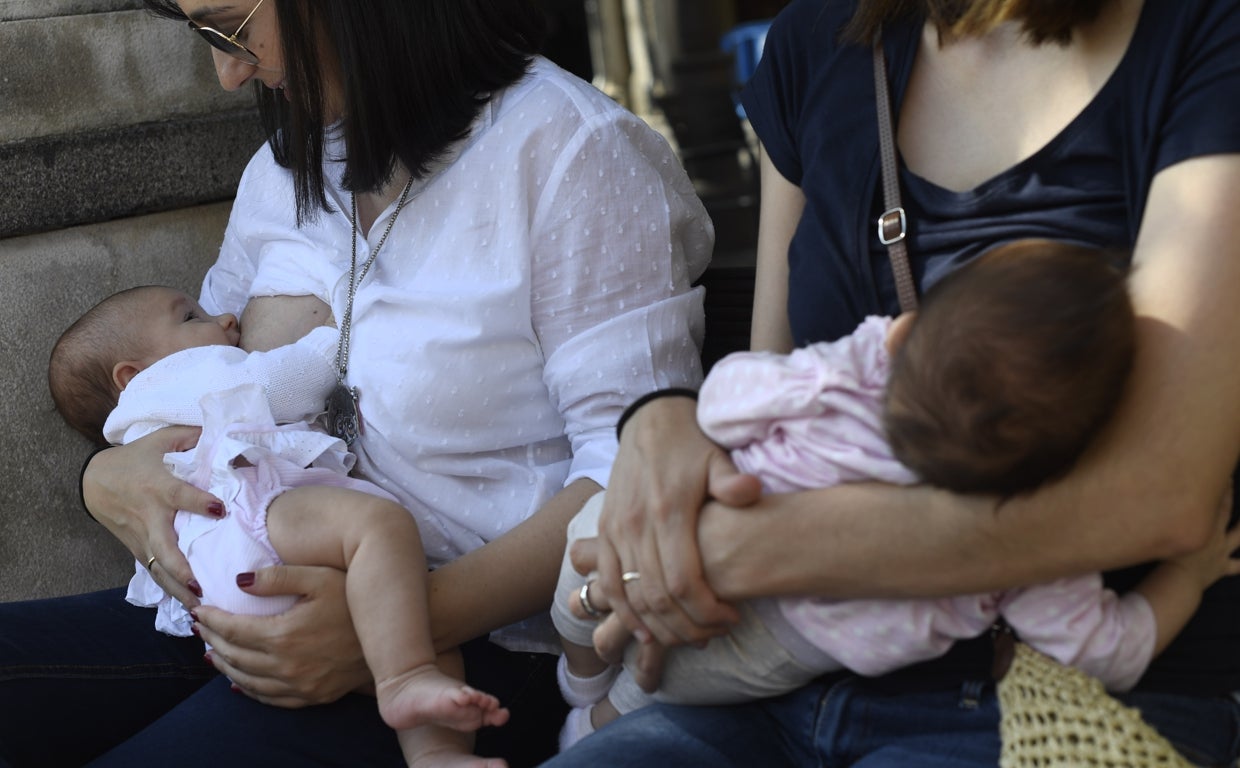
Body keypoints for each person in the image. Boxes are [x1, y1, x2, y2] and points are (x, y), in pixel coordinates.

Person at [0, 2, 712, 766]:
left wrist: (402, 624)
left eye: (229, 28)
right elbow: (198, 378)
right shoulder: (281, 172)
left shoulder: (569, 153)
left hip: (482, 648)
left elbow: (633, 471)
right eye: (201, 35)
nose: (229, 72)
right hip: (251, 595)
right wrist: (104, 475)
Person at [544, 0, 1240, 765]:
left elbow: (1163, 498)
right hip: (777, 682)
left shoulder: (1205, 35)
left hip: (1043, 700)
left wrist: (737, 551)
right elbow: (767, 375)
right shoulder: (817, 40)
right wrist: (660, 419)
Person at [550, 240, 1240, 750]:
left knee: (584, 590)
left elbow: (728, 398)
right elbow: (1102, 650)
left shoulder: (849, 377)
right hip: (778, 648)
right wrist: (1189, 574)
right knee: (652, 683)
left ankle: (578, 678)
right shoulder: (1035, 540)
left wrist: (678, 418)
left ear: (910, 331)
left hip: (680, 528)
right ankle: (593, 719)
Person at [49, 284, 512, 767]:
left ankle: (435, 753)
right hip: (252, 518)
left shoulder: (141, 422)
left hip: (218, 595)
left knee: (418, 635)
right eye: (191, 317)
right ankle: (407, 690)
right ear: (131, 376)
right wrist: (346, 333)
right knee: (382, 529)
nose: (228, 319)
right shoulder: (169, 383)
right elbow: (284, 385)